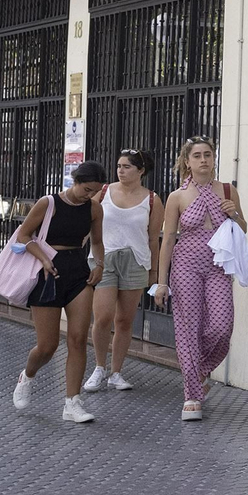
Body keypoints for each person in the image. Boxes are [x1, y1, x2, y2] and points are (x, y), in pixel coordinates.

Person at [153, 136, 246, 422]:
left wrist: (235, 215)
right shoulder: (177, 196)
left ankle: (200, 368)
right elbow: (168, 239)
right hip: (185, 264)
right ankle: (191, 394)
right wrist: (162, 281)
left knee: (221, 325)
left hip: (219, 263)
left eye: (208, 154)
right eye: (197, 155)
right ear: (187, 161)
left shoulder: (228, 191)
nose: (204, 160)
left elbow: (243, 228)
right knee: (188, 327)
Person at [10, 161, 110, 423]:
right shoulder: (48, 203)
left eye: (95, 191)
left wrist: (99, 264)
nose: (89, 195)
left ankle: (72, 403)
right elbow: (23, 235)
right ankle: (27, 376)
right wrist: (42, 258)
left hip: (79, 273)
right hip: (47, 273)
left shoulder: (94, 208)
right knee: (47, 346)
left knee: (78, 339)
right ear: (75, 181)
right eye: (87, 189)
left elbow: (97, 242)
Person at [83, 150, 164, 393]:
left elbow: (153, 239)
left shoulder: (152, 199)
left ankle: (116, 372)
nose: (121, 170)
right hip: (104, 259)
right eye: (119, 166)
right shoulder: (104, 191)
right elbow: (87, 222)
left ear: (141, 171)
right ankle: (99, 367)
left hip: (136, 260)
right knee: (103, 316)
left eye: (127, 166)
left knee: (124, 320)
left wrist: (154, 271)